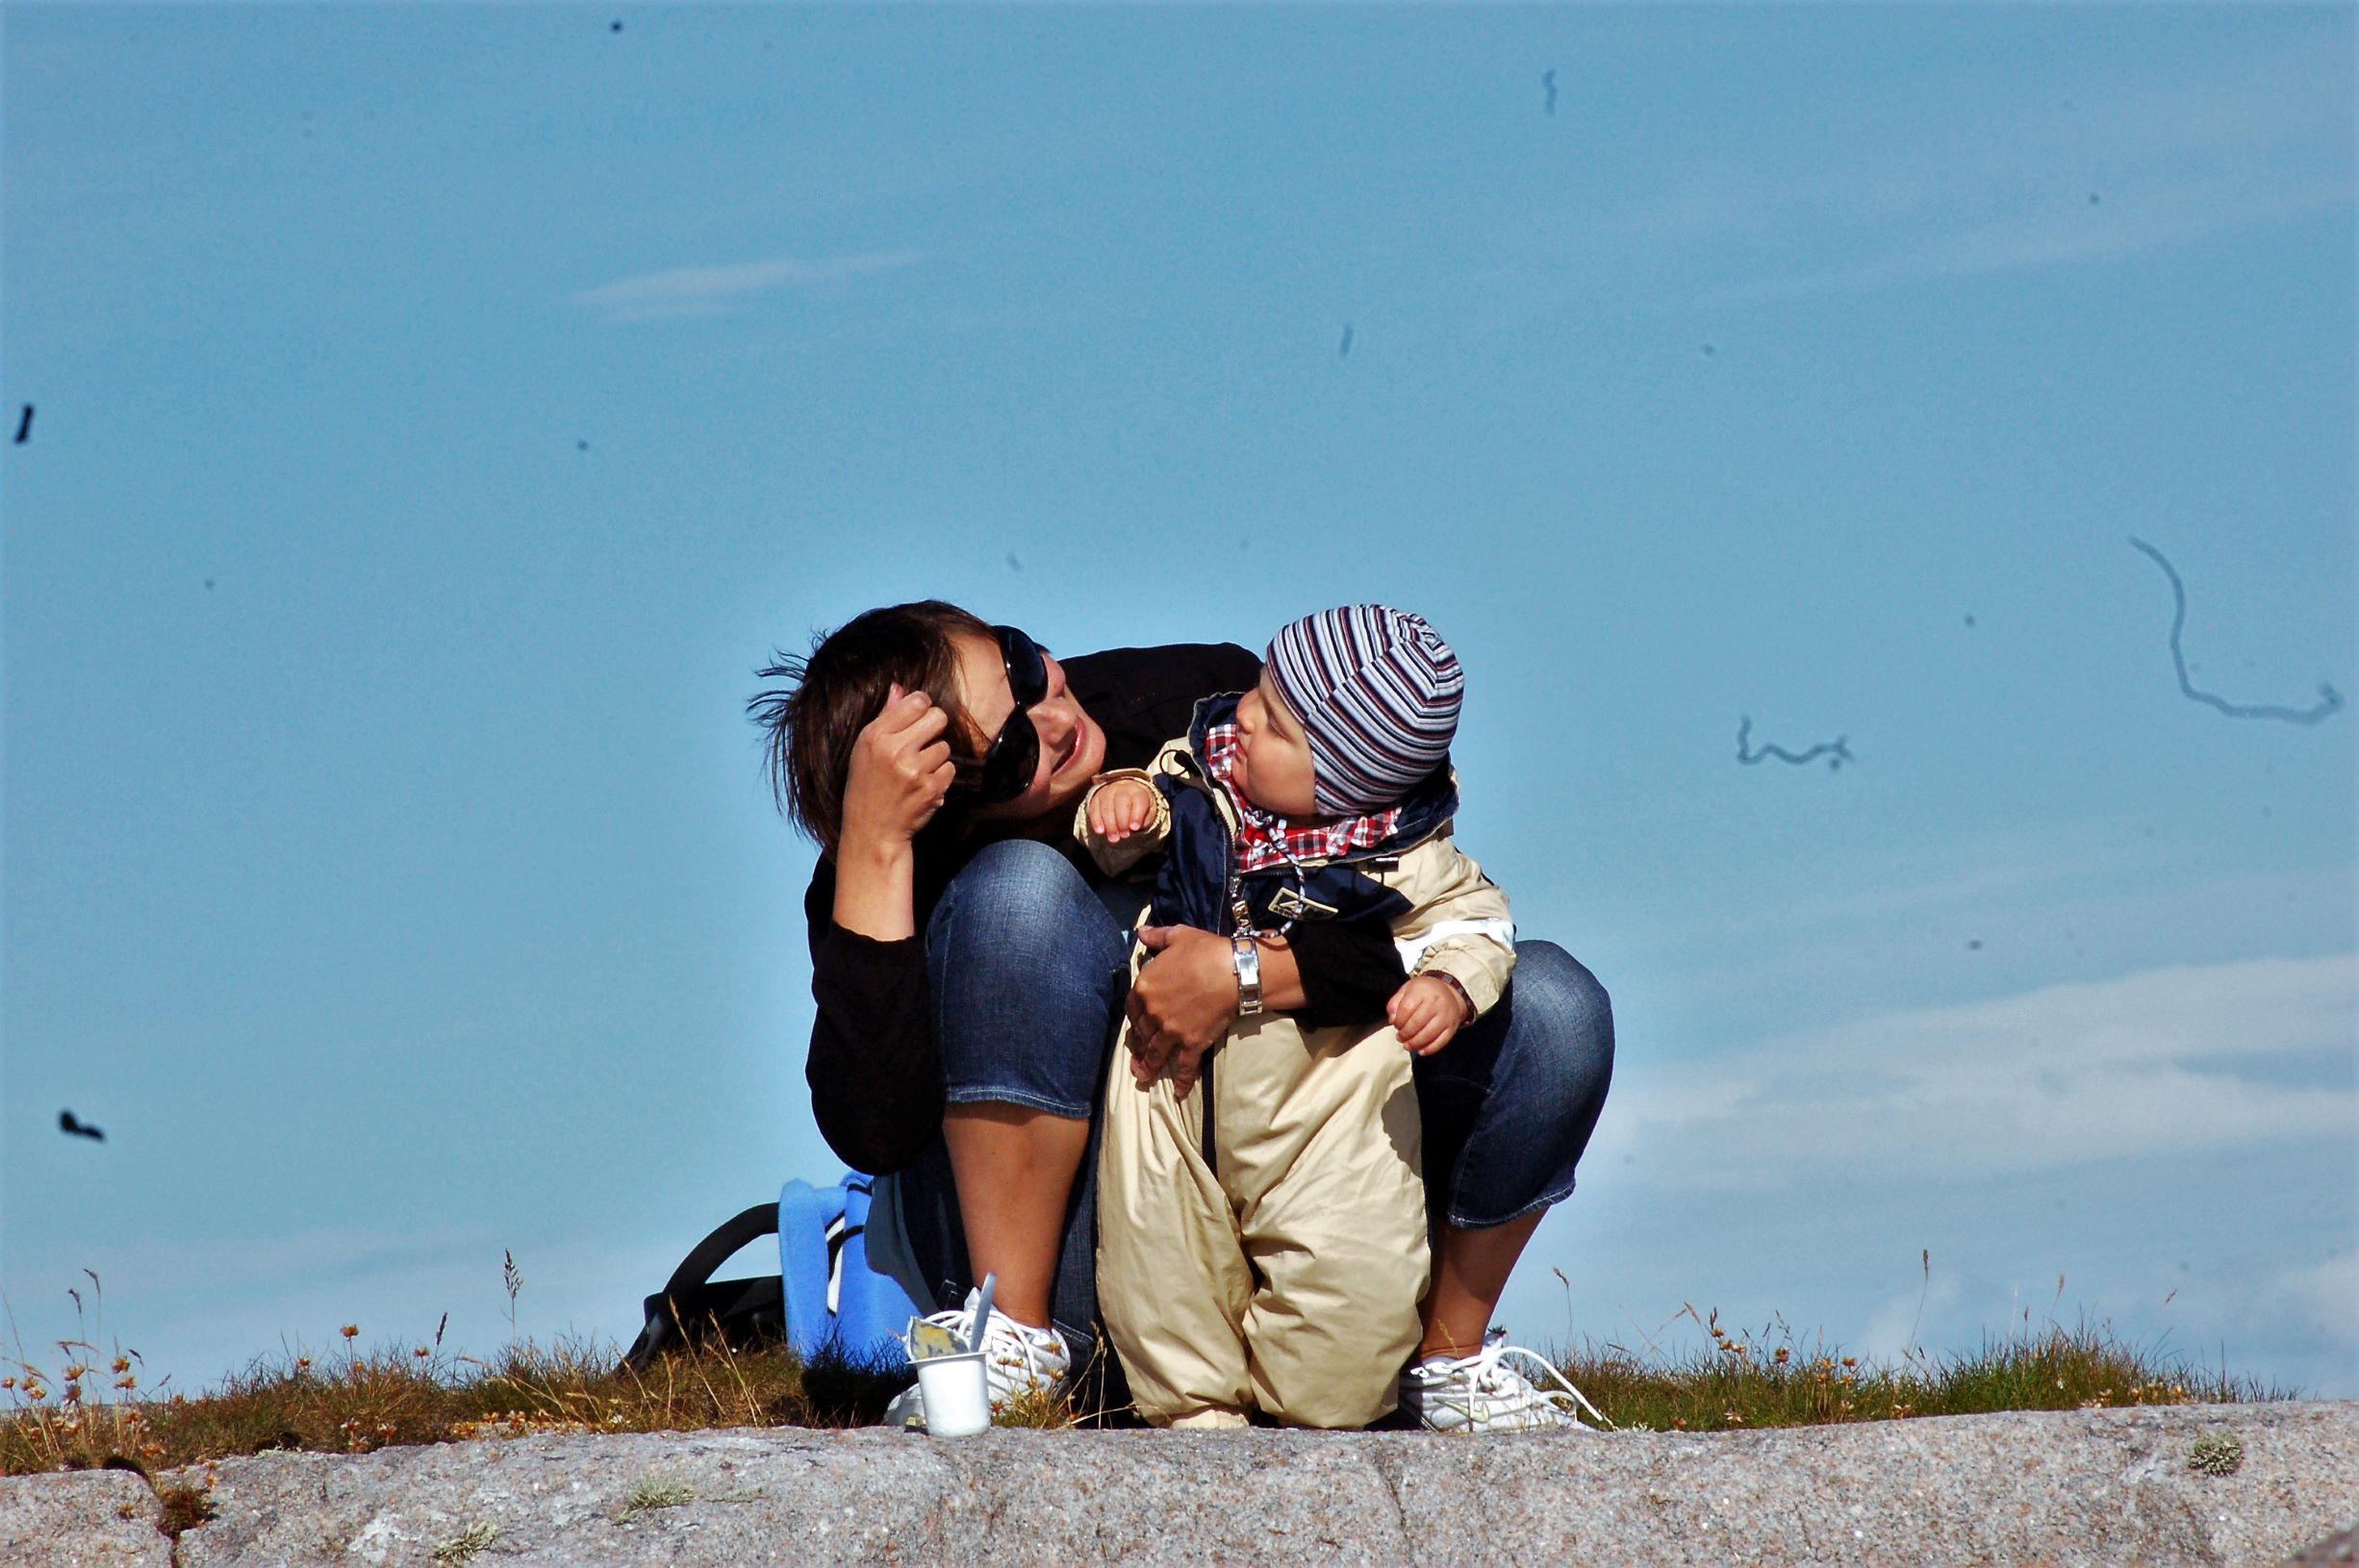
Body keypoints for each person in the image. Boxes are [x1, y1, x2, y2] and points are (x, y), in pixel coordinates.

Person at [750, 600, 1615, 1429]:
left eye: (1019, 662)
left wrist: (1247, 976)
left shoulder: (1197, 706)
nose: (1053, 719)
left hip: (1301, 1208)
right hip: (1079, 1269)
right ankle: (1015, 1350)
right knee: (1019, 892)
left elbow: (1413, 914)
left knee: (1553, 1007)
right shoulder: (892, 861)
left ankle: (1440, 1363)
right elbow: (874, 1133)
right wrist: (873, 846)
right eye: (1012, 749)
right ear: (943, 804)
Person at [1078, 605, 1519, 1429]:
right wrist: (1122, 804)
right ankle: (1194, 1424)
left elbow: (1477, 923)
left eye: (1277, 724)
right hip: (1165, 1089)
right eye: (1260, 690)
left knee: (1350, 1281)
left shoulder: (1406, 859)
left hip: (1327, 1104)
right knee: (1158, 1270)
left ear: (1343, 783)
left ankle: (1322, 1423)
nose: (1245, 715)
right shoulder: (1199, 773)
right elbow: (1131, 834)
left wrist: (1451, 985)